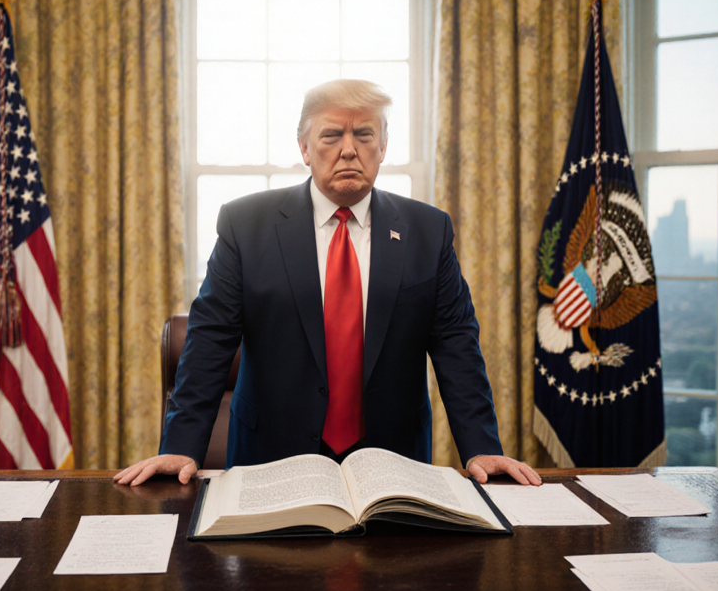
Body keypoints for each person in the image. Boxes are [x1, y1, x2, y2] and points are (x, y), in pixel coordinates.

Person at [115, 80, 539, 487]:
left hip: (393, 465)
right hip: (271, 460)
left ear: (383, 146)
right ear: (304, 147)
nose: (349, 149)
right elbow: (210, 339)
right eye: (332, 135)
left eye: (364, 134)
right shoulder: (245, 226)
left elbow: (456, 346)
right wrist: (180, 447)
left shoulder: (428, 231)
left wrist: (482, 449)